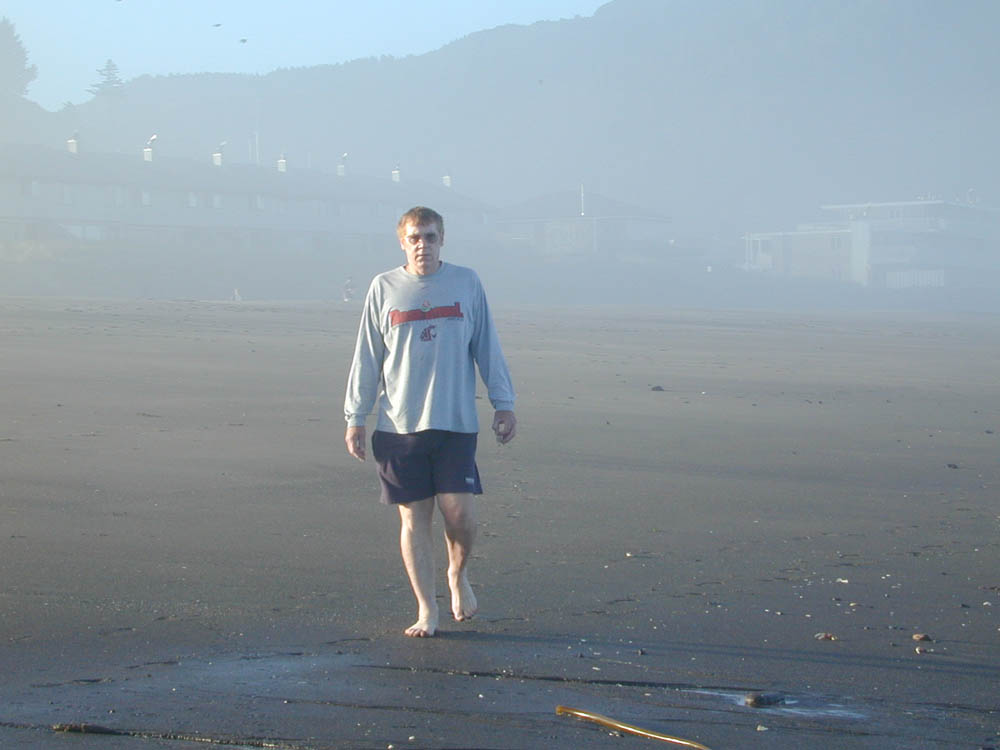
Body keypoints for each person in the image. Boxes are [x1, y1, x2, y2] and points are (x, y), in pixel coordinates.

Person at [344, 206, 516, 638]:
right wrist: (355, 416)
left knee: (459, 514)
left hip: (455, 422)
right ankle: (426, 609)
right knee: (413, 520)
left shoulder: (466, 283)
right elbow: (367, 356)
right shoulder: (383, 287)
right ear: (402, 241)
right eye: (415, 237)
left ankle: (457, 575)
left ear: (443, 240)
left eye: (431, 237)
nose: (423, 245)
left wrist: (503, 402)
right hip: (399, 426)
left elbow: (487, 346)